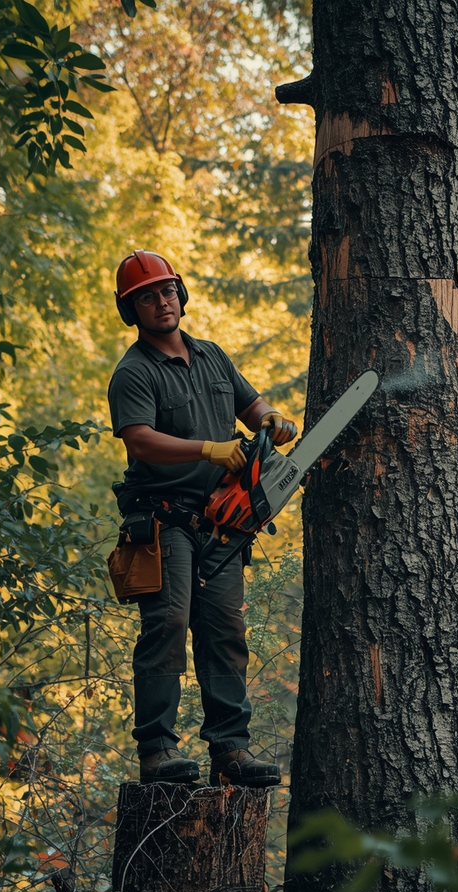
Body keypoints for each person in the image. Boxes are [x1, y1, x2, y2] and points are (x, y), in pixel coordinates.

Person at [107, 249, 297, 786]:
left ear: (180, 295)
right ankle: (157, 753)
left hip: (221, 522)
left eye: (166, 291)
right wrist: (208, 450)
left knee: (224, 630)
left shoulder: (212, 356)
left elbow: (251, 405)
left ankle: (231, 750)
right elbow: (140, 440)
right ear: (133, 310)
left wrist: (272, 421)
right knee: (166, 626)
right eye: (147, 296)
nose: (160, 302)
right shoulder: (134, 372)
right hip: (163, 521)